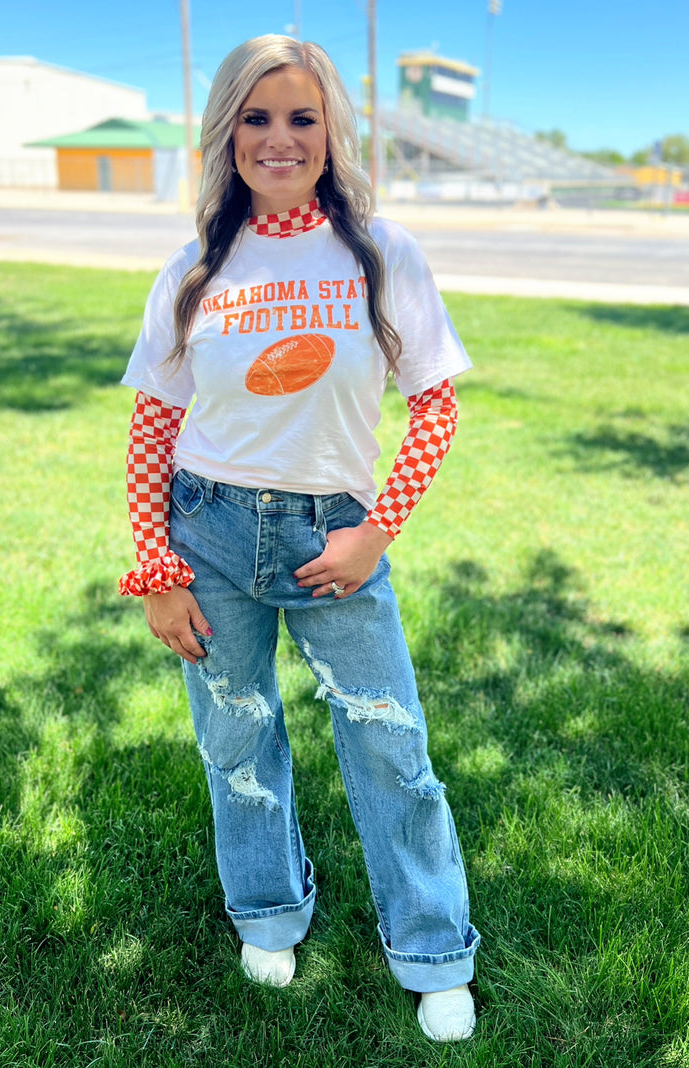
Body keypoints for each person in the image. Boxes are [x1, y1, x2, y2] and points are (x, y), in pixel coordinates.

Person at [118, 34, 479, 1043]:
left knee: (389, 744)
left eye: (301, 118)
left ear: (332, 133)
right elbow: (154, 423)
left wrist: (375, 533)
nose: (279, 139)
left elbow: (435, 406)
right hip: (213, 534)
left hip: (335, 540)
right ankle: (268, 912)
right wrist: (158, 569)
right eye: (256, 117)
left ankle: (433, 947)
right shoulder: (195, 265)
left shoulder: (378, 252)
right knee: (237, 737)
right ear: (226, 131)